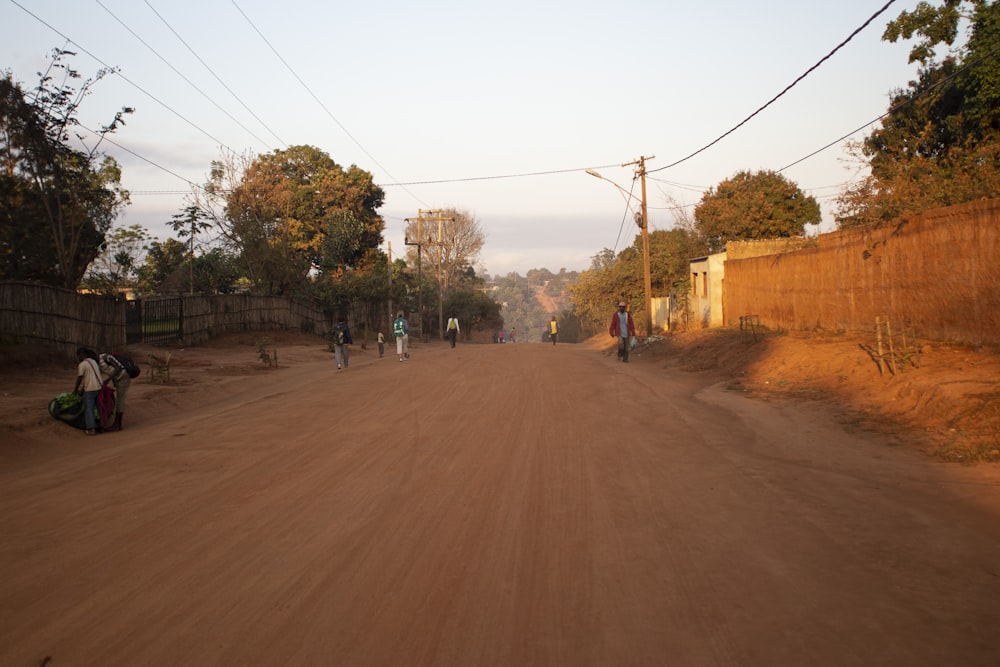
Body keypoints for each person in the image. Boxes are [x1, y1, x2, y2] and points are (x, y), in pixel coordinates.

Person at [73, 347, 102, 435]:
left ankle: (91, 429)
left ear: (81, 355)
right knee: (99, 407)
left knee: (89, 408)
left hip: (90, 389)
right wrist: (82, 389)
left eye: (78, 356)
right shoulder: (94, 361)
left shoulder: (82, 364)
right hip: (99, 387)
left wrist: (75, 390)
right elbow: (90, 377)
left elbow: (80, 378)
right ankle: (101, 426)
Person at [99, 352, 131, 431]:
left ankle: (117, 425)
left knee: (120, 400)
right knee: (119, 400)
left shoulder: (104, 357)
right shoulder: (99, 362)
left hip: (123, 377)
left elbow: (118, 368)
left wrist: (108, 380)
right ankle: (117, 424)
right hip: (118, 379)